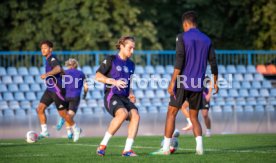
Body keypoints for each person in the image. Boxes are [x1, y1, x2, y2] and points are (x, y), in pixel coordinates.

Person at [151, 11, 218, 155]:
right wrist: (216, 82)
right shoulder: (207, 39)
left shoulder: (182, 37)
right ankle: (199, 148)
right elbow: (213, 62)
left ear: (185, 24)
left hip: (182, 81)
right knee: (194, 117)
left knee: (171, 113)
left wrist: (172, 81)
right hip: (198, 83)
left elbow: (179, 60)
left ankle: (165, 148)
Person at [95, 36, 139, 157]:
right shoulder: (111, 59)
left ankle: (127, 150)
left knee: (135, 115)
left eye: (134, 48)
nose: (132, 51)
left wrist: (131, 93)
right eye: (130, 48)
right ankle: (102, 145)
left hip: (124, 97)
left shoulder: (131, 64)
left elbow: (129, 83)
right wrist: (114, 82)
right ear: (121, 46)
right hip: (112, 95)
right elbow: (97, 76)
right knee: (123, 113)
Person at [37, 40, 82, 142]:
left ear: (50, 49)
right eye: (41, 48)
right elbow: (60, 70)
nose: (43, 50)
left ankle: (76, 128)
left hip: (56, 90)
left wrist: (47, 74)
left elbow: (57, 68)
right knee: (40, 109)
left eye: (45, 48)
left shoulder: (52, 58)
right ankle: (44, 131)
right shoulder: (48, 59)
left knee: (64, 115)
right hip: (50, 89)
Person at [56, 58, 88, 140]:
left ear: (68, 65)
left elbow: (57, 82)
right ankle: (68, 125)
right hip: (75, 96)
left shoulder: (65, 72)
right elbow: (86, 87)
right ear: (76, 64)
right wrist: (85, 94)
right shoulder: (81, 73)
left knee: (67, 115)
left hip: (65, 96)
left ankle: (69, 132)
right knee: (69, 116)